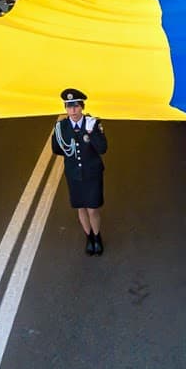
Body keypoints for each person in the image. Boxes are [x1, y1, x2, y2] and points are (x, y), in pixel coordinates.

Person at [51, 87, 110, 255]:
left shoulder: (92, 124)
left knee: (93, 208)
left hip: (92, 174)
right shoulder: (61, 127)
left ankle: (97, 236)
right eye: (70, 107)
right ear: (65, 108)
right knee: (81, 208)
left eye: (76, 106)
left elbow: (102, 148)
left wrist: (91, 133)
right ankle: (89, 237)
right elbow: (56, 149)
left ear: (82, 107)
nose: (73, 111)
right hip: (74, 175)